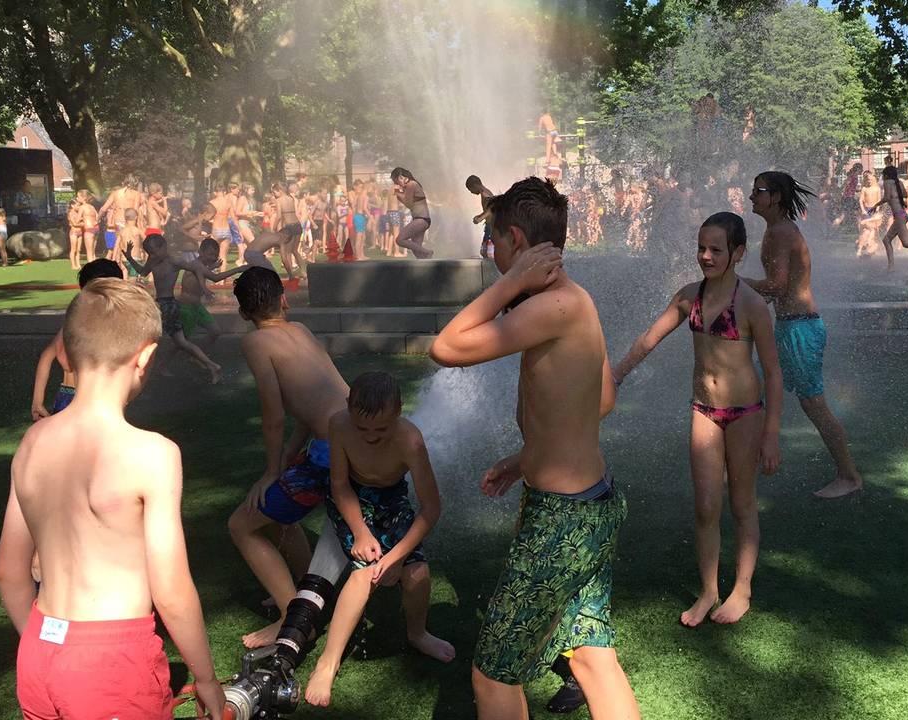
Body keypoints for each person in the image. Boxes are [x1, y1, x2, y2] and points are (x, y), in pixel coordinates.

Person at [429, 177, 640, 720]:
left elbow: (445, 347)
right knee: (592, 658)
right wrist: (527, 458)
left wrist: (508, 284)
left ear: (517, 241)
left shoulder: (554, 307)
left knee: (494, 676)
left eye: (495, 242)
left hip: (562, 522)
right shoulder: (575, 301)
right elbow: (603, 399)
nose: (490, 252)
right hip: (592, 507)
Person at [0, 278, 226, 718]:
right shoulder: (153, 454)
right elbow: (172, 591)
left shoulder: (33, 442)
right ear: (145, 357)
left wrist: (46, 646)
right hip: (112, 660)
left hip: (40, 651)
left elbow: (9, 573)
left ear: (66, 352)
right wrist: (207, 679)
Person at [612, 211, 782, 626]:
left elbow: (774, 371)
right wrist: (615, 375)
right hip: (703, 410)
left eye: (716, 249)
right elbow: (648, 339)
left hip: (744, 414)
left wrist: (772, 433)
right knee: (706, 505)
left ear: (738, 253)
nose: (705, 256)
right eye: (701, 248)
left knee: (742, 503)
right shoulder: (689, 296)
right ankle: (709, 590)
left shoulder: (751, 305)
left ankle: (741, 589)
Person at [303, 372, 454, 707]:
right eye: (363, 428)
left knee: (417, 575)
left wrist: (398, 557)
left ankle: (417, 633)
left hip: (391, 498)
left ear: (399, 412)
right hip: (352, 499)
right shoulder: (339, 425)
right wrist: (360, 531)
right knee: (365, 573)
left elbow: (431, 509)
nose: (370, 436)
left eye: (381, 429)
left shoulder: (410, 441)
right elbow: (340, 485)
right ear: (348, 410)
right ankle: (328, 662)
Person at [229, 267, 350, 648]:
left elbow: (275, 415)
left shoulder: (256, 343)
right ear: (284, 299)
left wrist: (270, 472)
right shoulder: (301, 332)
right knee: (278, 514)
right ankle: (306, 597)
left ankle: (291, 620)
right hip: (350, 440)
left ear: (245, 314)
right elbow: (312, 410)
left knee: (240, 525)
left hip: (334, 453)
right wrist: (284, 465)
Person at [745, 171, 862, 499]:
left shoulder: (780, 232)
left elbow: (776, 286)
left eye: (758, 191)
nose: (751, 196)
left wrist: (732, 280)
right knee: (752, 388)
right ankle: (743, 462)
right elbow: (774, 290)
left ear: (776, 197)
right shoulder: (777, 230)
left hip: (800, 328)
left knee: (813, 404)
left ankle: (849, 475)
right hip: (792, 326)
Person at [124, 234, 240, 383]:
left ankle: (210, 365)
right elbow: (143, 271)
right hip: (160, 304)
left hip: (168, 305)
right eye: (150, 252)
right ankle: (163, 365)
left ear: (164, 246)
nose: (152, 255)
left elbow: (196, 268)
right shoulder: (153, 259)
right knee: (176, 341)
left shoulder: (175, 260)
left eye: (154, 251)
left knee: (179, 341)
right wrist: (129, 257)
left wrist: (204, 288)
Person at [31, 259, 126, 421]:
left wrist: (37, 401)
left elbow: (46, 357)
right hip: (93, 400)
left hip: (65, 396)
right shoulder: (109, 323)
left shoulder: (74, 320)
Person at [392, 168, 433, 259]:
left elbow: (408, 203)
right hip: (421, 219)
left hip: (421, 219)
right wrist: (399, 193)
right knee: (417, 252)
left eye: (396, 182)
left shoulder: (411, 184)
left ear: (401, 177)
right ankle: (427, 262)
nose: (397, 184)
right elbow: (409, 203)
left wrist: (398, 193)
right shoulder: (410, 185)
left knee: (400, 240)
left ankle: (428, 252)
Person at [466, 174, 495, 259]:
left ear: (475, 185)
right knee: (484, 251)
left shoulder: (485, 193)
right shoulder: (485, 192)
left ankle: (491, 270)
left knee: (488, 252)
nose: (471, 192)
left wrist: (480, 218)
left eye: (471, 190)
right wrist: (480, 215)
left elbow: (492, 208)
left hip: (491, 227)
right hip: (489, 226)